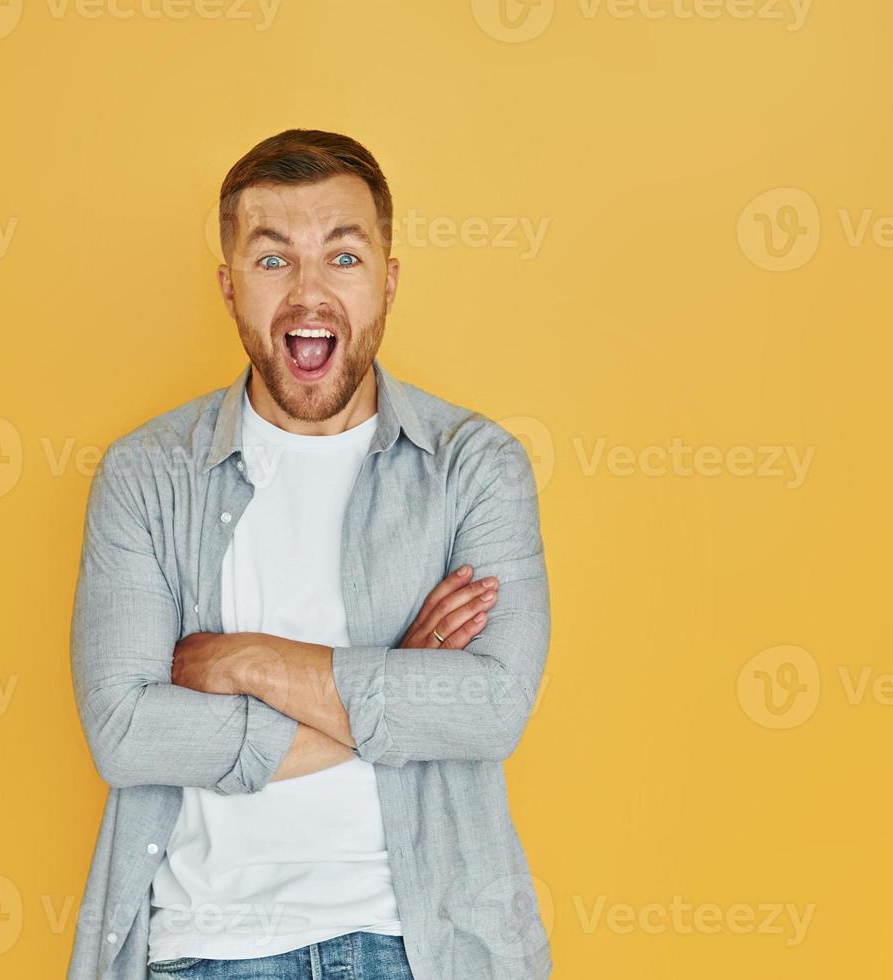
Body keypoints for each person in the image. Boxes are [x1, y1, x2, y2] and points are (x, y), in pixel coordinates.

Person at [67, 128, 552, 979]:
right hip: (205, 950)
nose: (308, 292)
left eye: (344, 256)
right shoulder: (146, 477)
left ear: (389, 282)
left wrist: (253, 660)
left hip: (425, 949)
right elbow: (127, 731)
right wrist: (399, 679)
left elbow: (490, 708)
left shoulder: (474, 466)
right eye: (272, 260)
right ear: (228, 288)